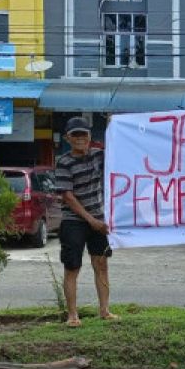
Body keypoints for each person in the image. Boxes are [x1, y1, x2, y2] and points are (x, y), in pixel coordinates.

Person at [55, 117, 117, 327]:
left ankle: (105, 310)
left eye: (84, 134)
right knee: (72, 267)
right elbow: (68, 197)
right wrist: (91, 220)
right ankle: (72, 315)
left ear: (90, 136)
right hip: (74, 220)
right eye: (76, 135)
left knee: (101, 264)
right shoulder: (64, 161)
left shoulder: (99, 155)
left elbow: (120, 150)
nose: (80, 138)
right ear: (67, 138)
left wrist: (112, 125)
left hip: (98, 219)